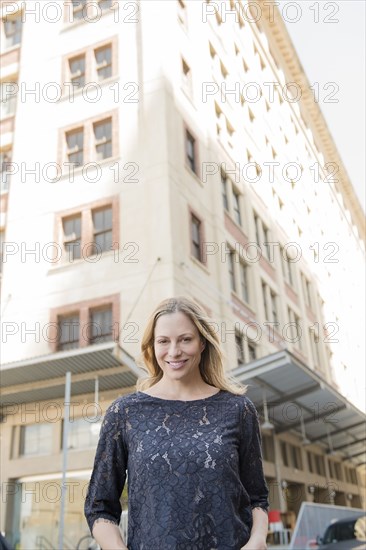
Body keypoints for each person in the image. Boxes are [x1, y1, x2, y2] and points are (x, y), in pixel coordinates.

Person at [85, 297, 269, 549]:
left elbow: (257, 498)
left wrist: (257, 540)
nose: (174, 352)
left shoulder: (238, 409)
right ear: (152, 346)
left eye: (185, 339)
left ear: (202, 342)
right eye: (163, 341)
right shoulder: (124, 413)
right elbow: (99, 506)